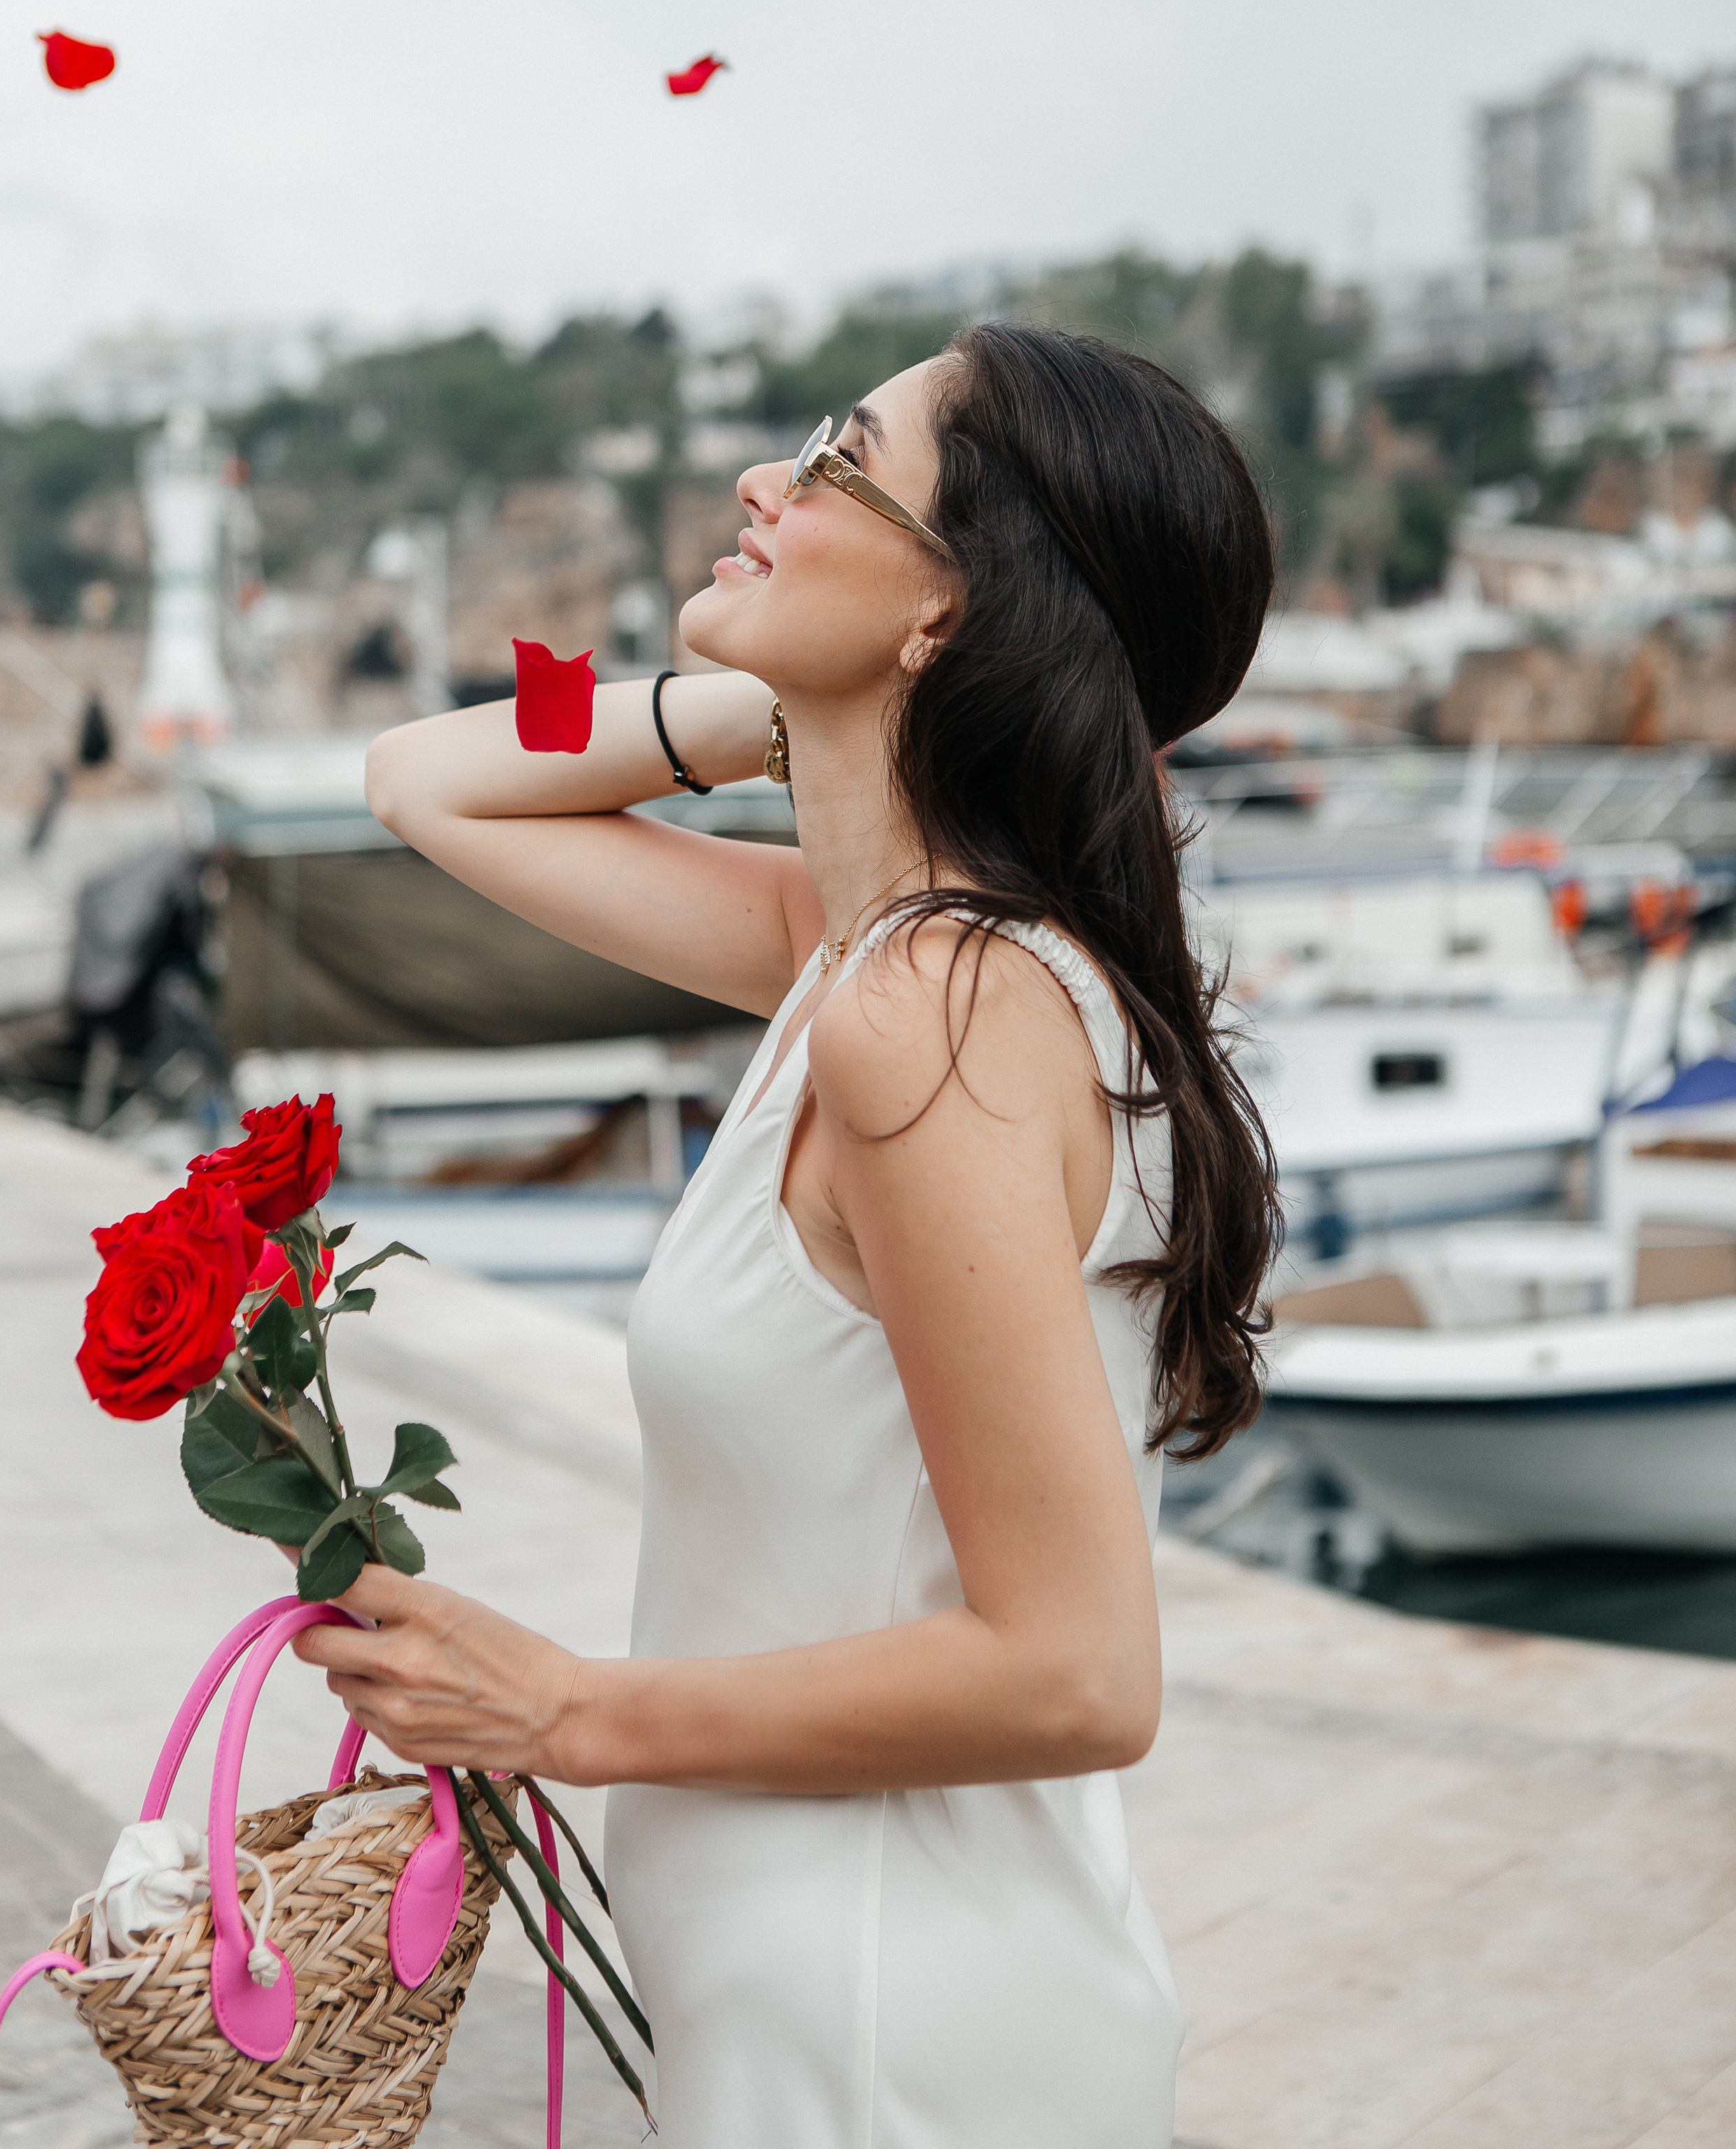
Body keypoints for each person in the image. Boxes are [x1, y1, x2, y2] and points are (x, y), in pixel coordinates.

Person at [294, 324, 1279, 2148]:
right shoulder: (871, 955)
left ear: (952, 608)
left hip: (891, 2020)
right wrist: (809, 706)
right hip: (823, 1980)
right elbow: (418, 779)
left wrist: (564, 1709)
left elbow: (1077, 1671)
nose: (765, 481)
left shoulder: (937, 1014)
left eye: (838, 465)